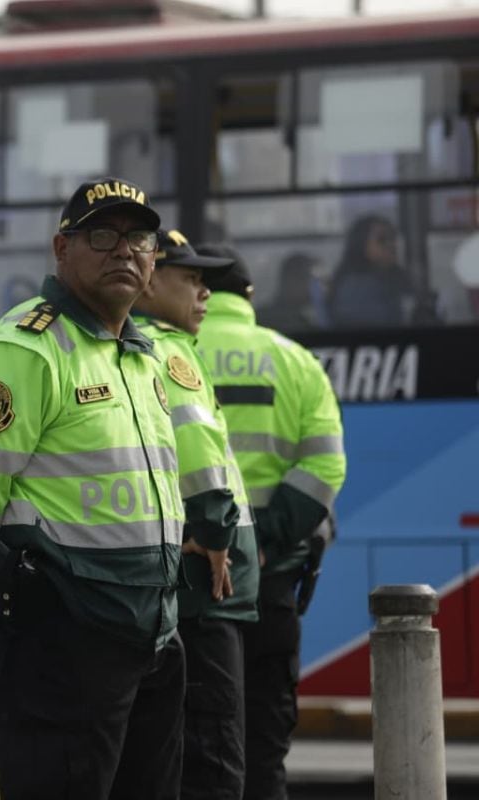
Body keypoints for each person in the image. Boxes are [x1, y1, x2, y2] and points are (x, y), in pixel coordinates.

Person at [0, 177, 186, 799]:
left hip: (153, 635)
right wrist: (7, 574)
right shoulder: (27, 347)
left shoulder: (142, 354)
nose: (123, 250)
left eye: (139, 238)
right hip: (65, 639)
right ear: (61, 248)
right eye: (102, 235)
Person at [196, 245, 347, 800]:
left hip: (191, 584)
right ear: (249, 295)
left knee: (194, 747)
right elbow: (325, 465)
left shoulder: (167, 356)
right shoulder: (296, 361)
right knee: (263, 745)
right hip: (272, 579)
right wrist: (264, 540)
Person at [132, 230, 260, 800]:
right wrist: (213, 534)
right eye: (190, 279)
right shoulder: (172, 351)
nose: (205, 292)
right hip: (205, 583)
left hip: (168, 583)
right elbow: (201, 455)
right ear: (149, 281)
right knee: (213, 759)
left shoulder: (132, 347)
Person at [326, 215, 410, 328]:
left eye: (393, 238)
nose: (391, 245)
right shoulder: (354, 287)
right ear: (361, 245)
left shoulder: (392, 277)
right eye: (382, 240)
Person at [256, 252, 327, 332]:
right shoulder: (269, 318)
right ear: (290, 281)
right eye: (311, 280)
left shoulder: (313, 317)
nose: (320, 288)